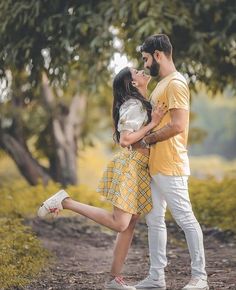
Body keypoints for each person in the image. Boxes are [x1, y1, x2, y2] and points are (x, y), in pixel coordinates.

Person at [37, 67, 166, 290]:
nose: (142, 70)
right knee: (120, 223)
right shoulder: (133, 105)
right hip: (132, 167)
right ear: (133, 84)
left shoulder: (142, 103)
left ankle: (114, 280)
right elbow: (125, 140)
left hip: (140, 168)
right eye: (136, 71)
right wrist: (153, 123)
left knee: (129, 224)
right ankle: (66, 202)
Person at [133, 34, 209, 290]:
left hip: (171, 164)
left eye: (146, 59)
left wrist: (148, 140)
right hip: (156, 165)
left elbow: (178, 125)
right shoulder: (161, 84)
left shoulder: (176, 83)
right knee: (154, 221)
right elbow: (154, 118)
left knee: (186, 219)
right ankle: (157, 277)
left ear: (157, 54)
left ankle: (200, 277)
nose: (145, 65)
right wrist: (143, 92)